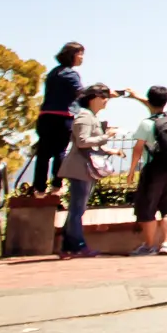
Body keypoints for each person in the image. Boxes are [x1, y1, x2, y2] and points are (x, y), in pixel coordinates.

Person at [124, 87, 167, 256]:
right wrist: (137, 98)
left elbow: (137, 149)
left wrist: (131, 171)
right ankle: (166, 243)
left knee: (147, 206)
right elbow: (156, 107)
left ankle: (149, 245)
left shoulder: (146, 124)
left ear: (149, 101)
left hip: (153, 169)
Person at [57, 84, 115, 258]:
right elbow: (82, 142)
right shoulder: (84, 116)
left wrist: (110, 150)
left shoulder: (90, 117)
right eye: (104, 97)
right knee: (77, 209)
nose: (106, 101)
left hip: (85, 168)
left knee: (77, 208)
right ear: (95, 97)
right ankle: (78, 246)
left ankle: (68, 246)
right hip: (80, 168)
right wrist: (107, 136)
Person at [31, 42, 84, 193]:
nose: (82, 58)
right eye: (80, 54)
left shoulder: (53, 73)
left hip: (45, 116)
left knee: (43, 153)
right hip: (63, 117)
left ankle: (39, 188)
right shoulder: (71, 74)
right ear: (72, 55)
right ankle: (56, 185)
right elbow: (80, 93)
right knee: (60, 152)